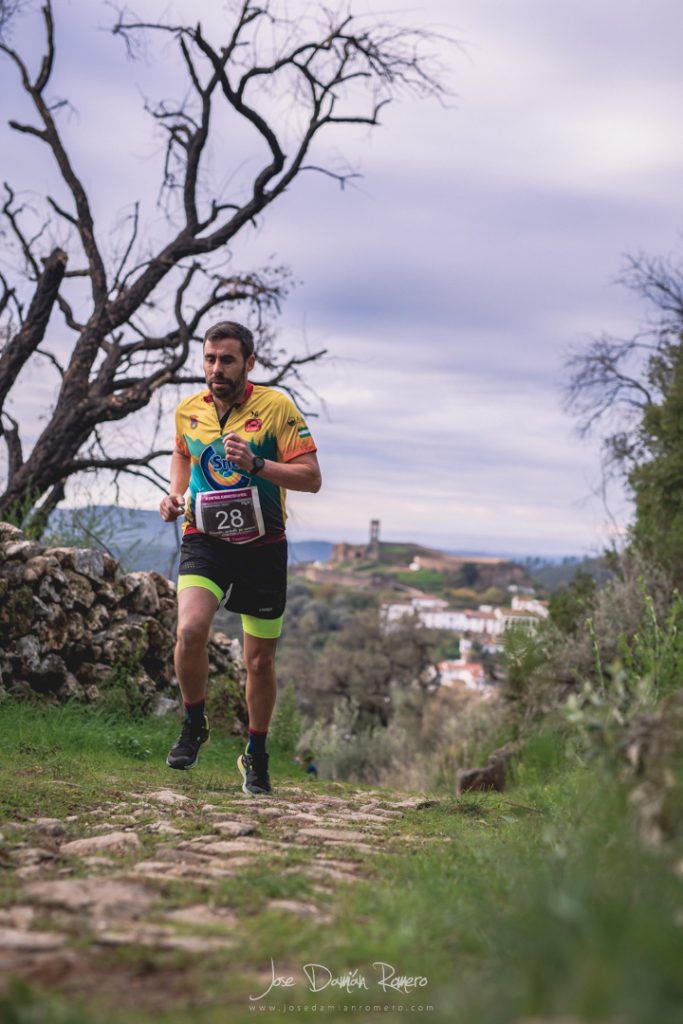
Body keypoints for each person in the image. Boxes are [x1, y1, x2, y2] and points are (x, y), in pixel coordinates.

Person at [159, 320, 321, 795]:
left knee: (259, 662)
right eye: (210, 359)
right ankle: (194, 724)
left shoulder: (276, 408)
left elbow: (311, 477)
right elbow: (182, 453)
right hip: (205, 538)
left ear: (249, 363)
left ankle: (256, 752)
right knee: (189, 629)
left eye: (227, 360)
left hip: (263, 545)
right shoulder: (190, 410)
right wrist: (175, 493)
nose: (216, 369)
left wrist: (256, 464)